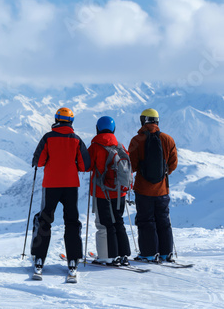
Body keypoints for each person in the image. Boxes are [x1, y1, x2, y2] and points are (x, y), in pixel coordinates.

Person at [31, 107, 90, 276]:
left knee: (45, 220)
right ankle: (73, 259)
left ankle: (39, 258)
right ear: (71, 121)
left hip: (51, 185)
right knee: (71, 221)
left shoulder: (47, 138)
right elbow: (85, 165)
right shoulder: (77, 140)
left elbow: (39, 162)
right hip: (71, 186)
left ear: (56, 119)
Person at [128, 108, 178, 262]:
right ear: (157, 121)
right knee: (163, 221)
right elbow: (173, 164)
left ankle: (149, 254)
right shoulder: (168, 139)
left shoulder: (137, 140)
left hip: (143, 190)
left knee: (146, 221)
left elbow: (132, 166)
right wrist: (162, 175)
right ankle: (166, 253)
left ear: (143, 121)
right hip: (162, 190)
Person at [87, 116, 131, 266]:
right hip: (120, 192)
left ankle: (107, 257)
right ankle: (123, 255)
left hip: (102, 191)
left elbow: (86, 166)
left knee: (104, 224)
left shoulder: (95, 146)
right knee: (118, 221)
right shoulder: (120, 146)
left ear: (98, 128)